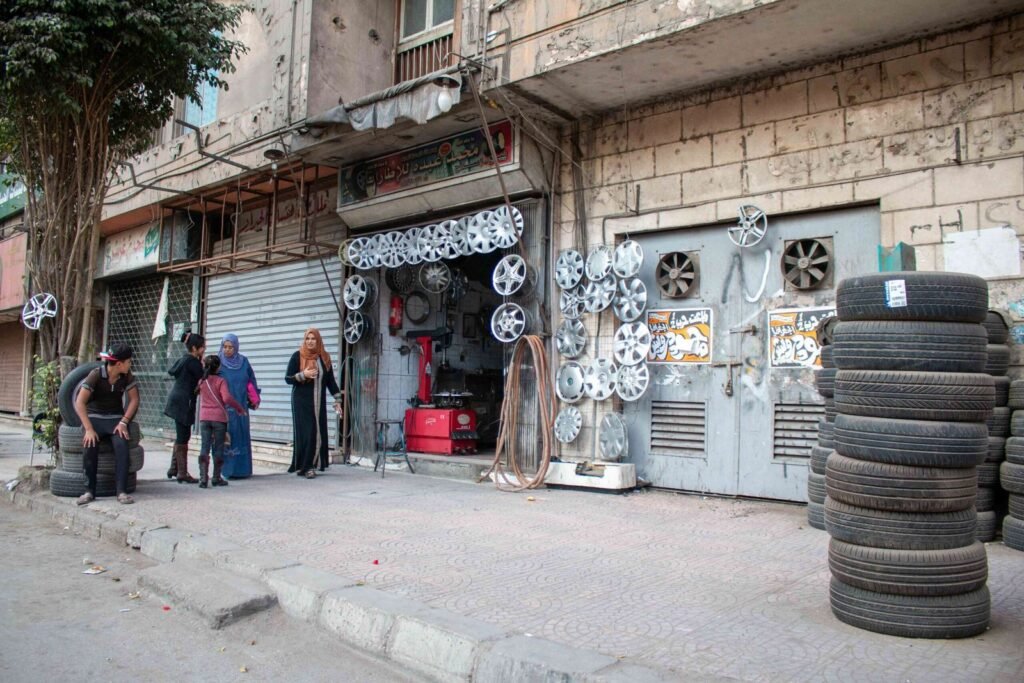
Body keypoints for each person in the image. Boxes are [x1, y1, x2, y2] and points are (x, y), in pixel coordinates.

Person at [75, 343, 139, 505]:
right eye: (129, 361)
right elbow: (80, 403)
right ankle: (89, 491)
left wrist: (124, 422)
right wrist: (89, 429)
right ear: (119, 364)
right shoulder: (96, 375)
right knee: (90, 445)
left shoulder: (126, 376)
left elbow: (134, 400)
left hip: (115, 419)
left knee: (122, 445)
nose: (130, 364)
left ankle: (121, 492)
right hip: (95, 418)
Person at [285, 328, 341, 478]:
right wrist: (304, 375)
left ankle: (311, 464)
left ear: (318, 340)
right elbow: (288, 378)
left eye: (313, 339)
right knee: (308, 432)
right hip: (301, 402)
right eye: (307, 338)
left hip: (318, 402)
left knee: (318, 432)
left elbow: (330, 382)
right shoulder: (298, 356)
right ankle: (306, 467)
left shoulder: (324, 357)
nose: (310, 341)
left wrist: (338, 399)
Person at [196, 355, 247, 489]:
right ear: (218, 367)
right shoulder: (221, 381)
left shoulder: (202, 381)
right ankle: (216, 477)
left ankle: (202, 478)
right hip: (219, 418)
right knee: (218, 448)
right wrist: (239, 408)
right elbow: (226, 398)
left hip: (204, 418)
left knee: (204, 447)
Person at [163, 331, 205, 484]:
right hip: (184, 401)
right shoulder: (193, 362)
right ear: (194, 348)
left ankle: (174, 468)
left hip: (177, 399)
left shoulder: (183, 359)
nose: (203, 351)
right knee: (183, 436)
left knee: (181, 435)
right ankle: (182, 472)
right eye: (201, 348)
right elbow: (202, 375)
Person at [217, 333, 261, 479]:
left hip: (241, 408)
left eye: (231, 347)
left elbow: (251, 380)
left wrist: (254, 397)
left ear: (236, 347)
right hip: (224, 409)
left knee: (241, 436)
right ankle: (226, 470)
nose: (227, 350)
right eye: (225, 347)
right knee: (227, 438)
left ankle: (243, 470)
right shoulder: (218, 363)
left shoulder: (244, 362)